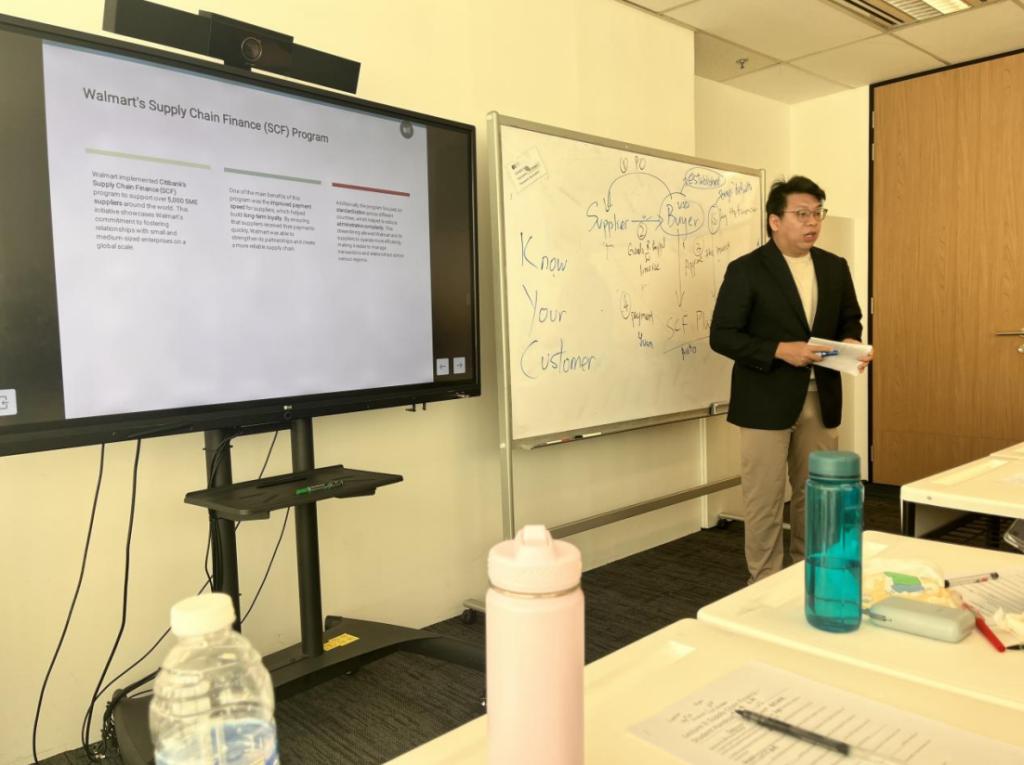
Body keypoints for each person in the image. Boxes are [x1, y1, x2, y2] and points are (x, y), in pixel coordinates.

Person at [709, 175, 872, 583]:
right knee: (764, 499)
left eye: (817, 213)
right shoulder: (747, 270)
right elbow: (723, 335)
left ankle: (807, 575)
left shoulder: (834, 266)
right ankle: (763, 582)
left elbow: (850, 317)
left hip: (822, 396)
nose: (812, 222)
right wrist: (781, 350)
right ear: (775, 221)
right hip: (764, 399)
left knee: (815, 495)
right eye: (802, 214)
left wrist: (851, 341)